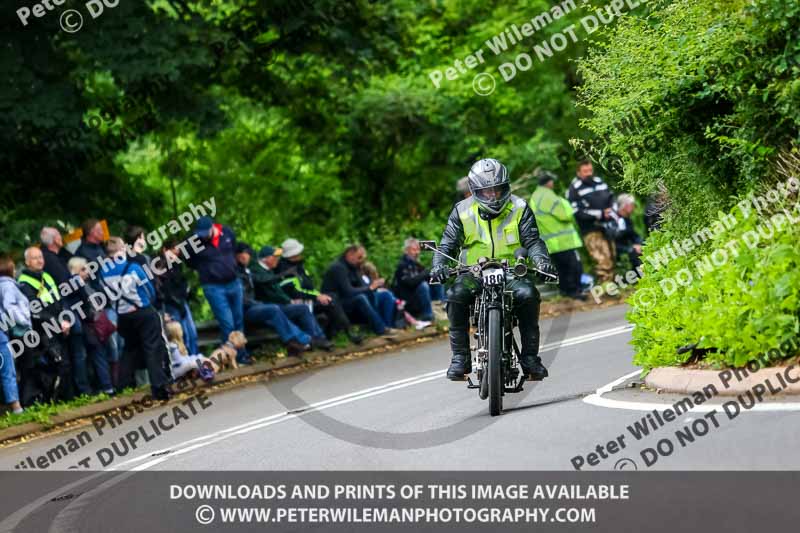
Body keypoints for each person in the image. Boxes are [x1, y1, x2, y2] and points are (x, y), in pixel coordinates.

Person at [429, 158, 556, 381]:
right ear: (475, 191)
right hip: (473, 273)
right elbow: (447, 244)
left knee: (528, 295)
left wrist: (541, 261)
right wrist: (439, 266)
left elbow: (533, 241)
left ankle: (530, 359)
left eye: (498, 189)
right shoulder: (462, 211)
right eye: (486, 191)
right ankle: (460, 359)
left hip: (511, 272)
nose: (493, 195)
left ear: (506, 187)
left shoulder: (519, 207)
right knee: (455, 295)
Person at [101, 237, 171, 400]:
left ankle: (122, 386)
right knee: (152, 348)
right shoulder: (133, 267)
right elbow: (149, 290)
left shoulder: (103, 272)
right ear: (121, 249)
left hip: (123, 316)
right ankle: (159, 387)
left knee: (129, 350)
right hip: (142, 312)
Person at [275, 238, 362, 344]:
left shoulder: (298, 266)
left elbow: (309, 287)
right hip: (297, 302)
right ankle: (343, 333)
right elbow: (296, 292)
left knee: (331, 297)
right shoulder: (285, 271)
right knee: (329, 301)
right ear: (292, 255)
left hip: (308, 299)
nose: (301, 254)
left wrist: (319, 295)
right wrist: (317, 296)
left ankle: (341, 332)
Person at [234, 243, 313, 357]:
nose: (247, 257)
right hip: (247, 309)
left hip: (258, 306)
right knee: (274, 308)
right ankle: (300, 340)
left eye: (248, 254)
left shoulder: (247, 271)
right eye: (245, 254)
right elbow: (244, 297)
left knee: (297, 308)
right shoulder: (240, 272)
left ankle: (308, 340)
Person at [17, 246, 74, 404]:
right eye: (35, 258)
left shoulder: (47, 276)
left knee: (64, 366)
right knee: (48, 369)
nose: (40, 260)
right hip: (42, 333)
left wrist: (66, 319)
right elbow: (35, 310)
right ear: (27, 262)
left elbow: (59, 301)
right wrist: (58, 323)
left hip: (59, 328)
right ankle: (46, 403)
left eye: (41, 257)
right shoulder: (24, 283)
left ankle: (63, 401)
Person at [185, 216, 246, 361]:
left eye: (205, 232)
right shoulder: (194, 242)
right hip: (213, 287)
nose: (203, 236)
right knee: (227, 322)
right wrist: (206, 269)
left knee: (238, 320)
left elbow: (235, 249)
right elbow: (189, 261)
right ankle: (227, 358)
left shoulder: (227, 233)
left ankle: (241, 357)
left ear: (213, 227)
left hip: (233, 282)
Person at [251, 246, 333, 351]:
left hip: (279, 304)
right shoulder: (256, 270)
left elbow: (278, 291)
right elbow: (269, 291)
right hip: (268, 307)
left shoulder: (269, 270)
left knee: (303, 308)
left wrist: (290, 300)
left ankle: (319, 338)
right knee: (297, 308)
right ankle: (310, 340)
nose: (278, 259)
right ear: (267, 258)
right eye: (275, 257)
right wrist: (288, 300)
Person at [530, 171, 585, 299]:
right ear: (549, 182)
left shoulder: (535, 196)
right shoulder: (548, 196)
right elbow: (565, 215)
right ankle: (574, 293)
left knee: (562, 269)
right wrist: (566, 203)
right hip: (563, 241)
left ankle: (566, 293)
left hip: (551, 242)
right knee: (574, 267)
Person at [321, 245, 399, 336]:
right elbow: (348, 291)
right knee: (361, 298)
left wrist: (375, 286)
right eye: (359, 257)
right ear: (350, 255)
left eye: (363, 258)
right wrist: (370, 288)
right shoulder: (338, 268)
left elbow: (363, 286)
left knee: (385, 295)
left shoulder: (355, 266)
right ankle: (381, 329)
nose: (361, 260)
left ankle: (387, 326)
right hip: (339, 303)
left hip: (354, 299)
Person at [67, 256, 117, 394]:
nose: (87, 272)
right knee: (91, 356)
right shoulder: (75, 285)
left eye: (87, 268)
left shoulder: (87, 284)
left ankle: (107, 386)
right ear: (74, 271)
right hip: (86, 326)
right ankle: (103, 387)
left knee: (99, 355)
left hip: (91, 325)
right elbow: (86, 301)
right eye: (83, 269)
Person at [567, 160, 616, 283]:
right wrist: (599, 214)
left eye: (590, 170)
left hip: (607, 226)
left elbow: (611, 198)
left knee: (612, 256)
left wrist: (610, 210)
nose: (589, 173)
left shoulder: (599, 182)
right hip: (590, 229)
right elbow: (577, 212)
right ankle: (607, 287)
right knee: (602, 260)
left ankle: (611, 285)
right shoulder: (574, 188)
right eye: (585, 171)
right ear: (578, 172)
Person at [154, 239, 199, 355]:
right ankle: (186, 362)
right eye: (173, 252)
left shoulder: (177, 264)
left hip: (181, 302)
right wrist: (177, 302)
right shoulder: (159, 266)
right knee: (180, 335)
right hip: (171, 306)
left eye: (177, 253)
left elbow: (182, 282)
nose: (176, 255)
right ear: (165, 250)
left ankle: (195, 361)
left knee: (192, 333)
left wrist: (186, 293)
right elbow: (163, 290)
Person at [391, 238, 444, 321]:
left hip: (420, 297)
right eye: (414, 250)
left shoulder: (416, 264)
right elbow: (410, 283)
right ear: (406, 250)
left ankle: (441, 308)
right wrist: (426, 273)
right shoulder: (402, 265)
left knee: (436, 279)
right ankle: (428, 315)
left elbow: (426, 277)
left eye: (418, 250)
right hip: (408, 300)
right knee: (423, 285)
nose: (417, 252)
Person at [0, 255, 27, 414]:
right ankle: (16, 407)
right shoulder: (8, 286)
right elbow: (10, 309)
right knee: (7, 370)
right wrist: (23, 321)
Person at [611, 194, 643, 270]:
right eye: (632, 204)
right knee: (634, 253)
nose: (634, 207)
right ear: (625, 206)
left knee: (643, 245)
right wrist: (630, 248)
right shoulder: (613, 220)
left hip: (628, 248)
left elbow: (634, 235)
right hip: (618, 251)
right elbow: (613, 242)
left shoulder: (627, 219)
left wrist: (639, 243)